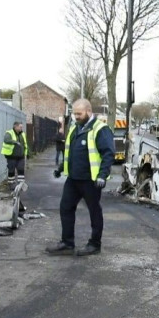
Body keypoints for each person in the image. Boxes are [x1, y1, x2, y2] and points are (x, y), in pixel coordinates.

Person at [46, 99, 114, 256]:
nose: (76, 116)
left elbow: (108, 153)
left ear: (88, 111)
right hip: (73, 179)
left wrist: (103, 175)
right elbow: (71, 153)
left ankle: (95, 244)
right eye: (74, 113)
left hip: (91, 180)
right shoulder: (75, 128)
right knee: (66, 208)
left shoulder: (100, 129)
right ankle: (67, 242)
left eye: (79, 113)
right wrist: (61, 168)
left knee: (94, 210)